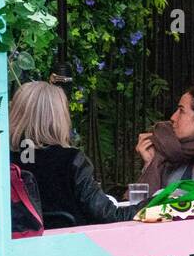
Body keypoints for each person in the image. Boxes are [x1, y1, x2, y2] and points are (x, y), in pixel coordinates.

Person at [11, 81, 131, 228]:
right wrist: (153, 204)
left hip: (20, 246)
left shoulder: (4, 160)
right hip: (71, 247)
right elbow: (108, 215)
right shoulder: (70, 160)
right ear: (59, 117)